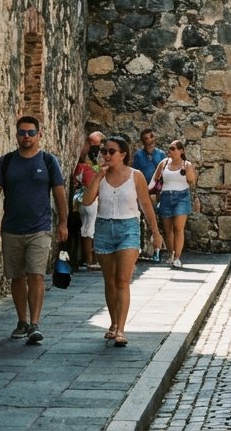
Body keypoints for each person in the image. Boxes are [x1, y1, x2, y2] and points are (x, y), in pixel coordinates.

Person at [0, 115, 69, 346]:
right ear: (16, 135)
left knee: (36, 274)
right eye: (22, 132)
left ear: (39, 135)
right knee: (16, 276)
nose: (26, 136)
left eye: (31, 133)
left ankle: (35, 323)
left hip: (39, 229)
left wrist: (63, 223)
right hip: (12, 228)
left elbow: (59, 193)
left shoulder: (48, 161)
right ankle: (21, 321)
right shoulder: (6, 162)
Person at [81, 134, 164, 347]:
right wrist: (99, 177)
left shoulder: (135, 176)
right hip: (103, 228)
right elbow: (87, 200)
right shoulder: (101, 176)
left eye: (111, 152)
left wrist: (156, 233)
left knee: (122, 280)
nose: (106, 155)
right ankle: (113, 322)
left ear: (123, 154)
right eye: (104, 151)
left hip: (128, 228)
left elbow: (146, 205)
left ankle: (121, 329)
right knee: (109, 281)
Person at [153, 139, 196, 269]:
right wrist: (150, 193)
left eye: (173, 149)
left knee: (178, 227)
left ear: (181, 151)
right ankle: (171, 254)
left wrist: (188, 173)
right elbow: (155, 179)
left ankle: (177, 257)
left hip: (182, 196)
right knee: (168, 230)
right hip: (166, 197)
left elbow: (192, 181)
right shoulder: (164, 163)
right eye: (169, 149)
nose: (170, 151)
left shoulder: (186, 164)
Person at [72, 131, 104, 270]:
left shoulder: (82, 165)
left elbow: (76, 181)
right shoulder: (97, 168)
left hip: (80, 198)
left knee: (87, 228)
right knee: (89, 229)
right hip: (92, 198)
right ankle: (90, 260)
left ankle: (89, 259)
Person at [132, 128, 165, 261]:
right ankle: (145, 249)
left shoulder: (161, 155)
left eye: (151, 137)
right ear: (143, 141)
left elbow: (164, 172)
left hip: (158, 191)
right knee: (143, 219)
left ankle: (159, 248)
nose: (149, 140)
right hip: (143, 191)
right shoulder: (138, 156)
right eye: (146, 138)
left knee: (159, 220)